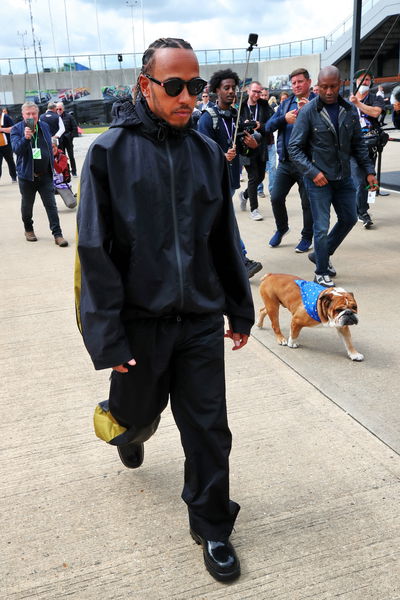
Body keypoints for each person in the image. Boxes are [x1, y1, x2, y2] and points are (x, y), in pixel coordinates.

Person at [76, 37, 255, 583]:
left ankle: (212, 524)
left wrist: (237, 307)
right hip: (139, 324)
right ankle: (130, 433)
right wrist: (107, 338)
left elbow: (222, 236)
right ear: (144, 86)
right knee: (131, 415)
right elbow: (93, 253)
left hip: (198, 319)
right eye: (173, 85)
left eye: (195, 86)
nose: (187, 97)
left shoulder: (205, 152)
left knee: (207, 427)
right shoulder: (108, 153)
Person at [288, 65, 378, 287]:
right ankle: (321, 270)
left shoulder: (349, 109)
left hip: (344, 177)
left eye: (333, 86)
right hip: (318, 180)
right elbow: (295, 148)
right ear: (318, 86)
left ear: (341, 84)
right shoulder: (308, 112)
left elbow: (358, 144)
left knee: (349, 218)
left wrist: (369, 171)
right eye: (324, 87)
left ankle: (321, 253)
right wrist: (313, 172)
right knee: (320, 227)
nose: (329, 91)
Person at [197, 68, 263, 278]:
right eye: (226, 88)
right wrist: (221, 157)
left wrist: (252, 143)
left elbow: (245, 145)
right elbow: (201, 151)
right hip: (215, 180)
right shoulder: (207, 119)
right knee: (226, 219)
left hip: (232, 178)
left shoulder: (236, 115)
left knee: (219, 222)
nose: (231, 92)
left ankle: (212, 259)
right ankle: (241, 260)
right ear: (216, 90)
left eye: (233, 88)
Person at [265, 68, 315, 252]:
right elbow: (268, 126)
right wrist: (284, 119)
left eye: (300, 81)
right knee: (276, 197)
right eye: (293, 83)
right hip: (286, 162)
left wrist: (306, 114)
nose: (296, 85)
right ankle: (282, 228)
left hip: (307, 163)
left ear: (308, 82)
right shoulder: (285, 104)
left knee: (307, 203)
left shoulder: (317, 103)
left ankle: (306, 236)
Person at [10, 102, 68, 246]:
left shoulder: (45, 126)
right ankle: (28, 229)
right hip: (27, 176)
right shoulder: (17, 129)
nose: (31, 116)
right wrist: (26, 138)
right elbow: (17, 150)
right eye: (28, 114)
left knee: (51, 205)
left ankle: (57, 234)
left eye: (33, 113)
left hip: (45, 175)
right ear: (23, 115)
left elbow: (48, 145)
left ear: (38, 114)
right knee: (27, 206)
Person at [349, 69, 385, 228]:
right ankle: (362, 213)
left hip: (371, 146)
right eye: (362, 80)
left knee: (370, 180)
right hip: (353, 147)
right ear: (355, 82)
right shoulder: (346, 100)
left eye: (367, 80)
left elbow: (376, 113)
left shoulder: (375, 98)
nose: (364, 82)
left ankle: (362, 207)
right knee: (359, 181)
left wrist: (358, 103)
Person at [238, 81, 273, 220]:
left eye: (259, 92)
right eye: (254, 91)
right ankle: (254, 209)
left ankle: (245, 195)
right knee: (253, 177)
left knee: (261, 177)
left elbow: (272, 123)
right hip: (245, 148)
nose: (257, 94)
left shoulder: (264, 105)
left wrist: (260, 125)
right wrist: (244, 125)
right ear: (248, 91)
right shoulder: (240, 106)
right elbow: (236, 126)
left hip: (261, 147)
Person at [257, 87, 277, 199]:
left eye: (266, 95)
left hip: (270, 142)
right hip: (259, 144)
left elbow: (273, 125)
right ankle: (259, 189)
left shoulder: (270, 109)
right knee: (260, 169)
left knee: (273, 167)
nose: (264, 97)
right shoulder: (255, 109)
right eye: (262, 95)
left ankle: (273, 190)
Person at [52, 138, 77, 209]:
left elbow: (59, 170)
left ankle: (77, 197)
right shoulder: (44, 156)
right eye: (49, 147)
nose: (51, 149)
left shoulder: (62, 157)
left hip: (61, 184)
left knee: (72, 204)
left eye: (53, 147)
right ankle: (52, 207)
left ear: (56, 147)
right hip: (49, 183)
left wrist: (52, 160)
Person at [56, 102, 78, 177]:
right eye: (57, 109)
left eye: (60, 109)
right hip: (60, 140)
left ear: (63, 109)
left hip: (68, 139)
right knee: (62, 157)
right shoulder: (55, 117)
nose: (58, 110)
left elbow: (74, 128)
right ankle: (65, 171)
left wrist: (71, 137)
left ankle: (74, 171)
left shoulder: (69, 117)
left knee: (71, 156)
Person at [0, 106, 17, 183]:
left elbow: (14, 128)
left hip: (6, 144)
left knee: (10, 161)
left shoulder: (6, 117)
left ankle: (14, 177)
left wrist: (2, 129)